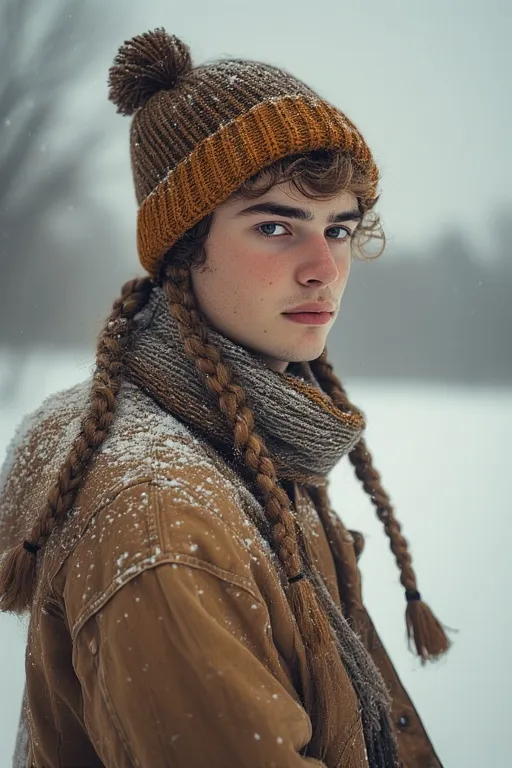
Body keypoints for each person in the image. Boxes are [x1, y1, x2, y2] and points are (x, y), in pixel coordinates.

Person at [0, 28, 450, 768]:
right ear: (184, 249)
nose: (323, 270)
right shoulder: (160, 518)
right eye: (275, 226)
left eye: (339, 228)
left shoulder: (237, 434)